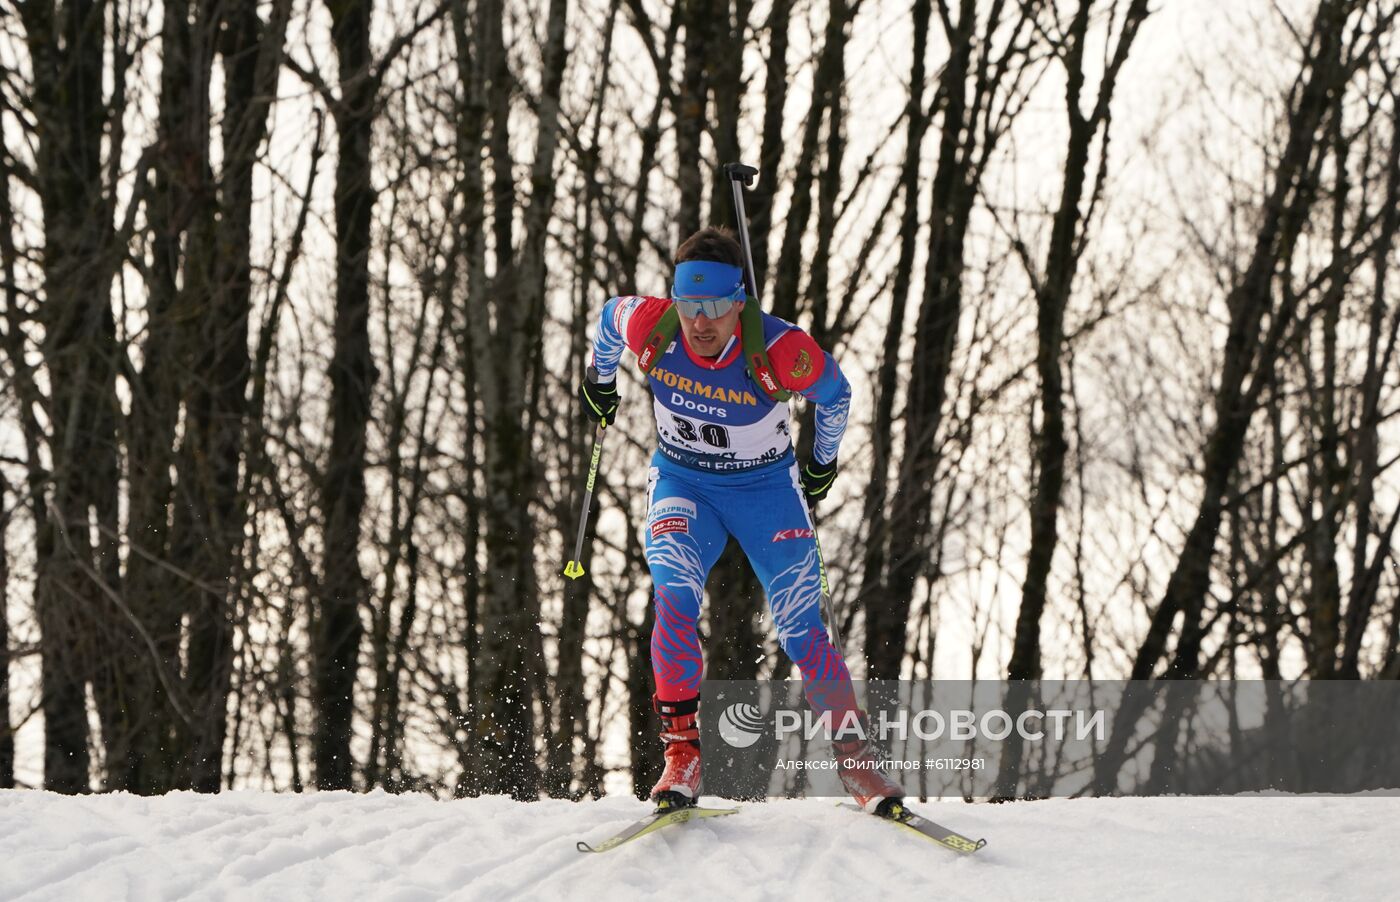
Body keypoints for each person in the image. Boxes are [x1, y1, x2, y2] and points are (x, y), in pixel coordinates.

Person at [578, 226, 902, 814]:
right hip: (684, 483)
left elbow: (835, 393)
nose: (702, 323)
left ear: (740, 303)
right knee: (673, 595)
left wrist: (821, 463)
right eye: (690, 305)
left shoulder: (780, 349)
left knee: (801, 622)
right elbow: (606, 320)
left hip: (765, 491)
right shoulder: (652, 324)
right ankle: (683, 754)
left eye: (717, 307)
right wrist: (598, 382)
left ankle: (856, 760)